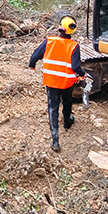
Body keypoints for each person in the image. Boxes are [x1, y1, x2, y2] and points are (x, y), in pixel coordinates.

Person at [28, 15, 86, 152]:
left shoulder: (49, 41)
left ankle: (55, 140)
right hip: (66, 82)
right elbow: (76, 67)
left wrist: (32, 65)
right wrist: (83, 74)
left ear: (60, 28)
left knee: (53, 107)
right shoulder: (74, 46)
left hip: (51, 81)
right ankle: (67, 122)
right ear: (73, 30)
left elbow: (35, 56)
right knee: (67, 101)